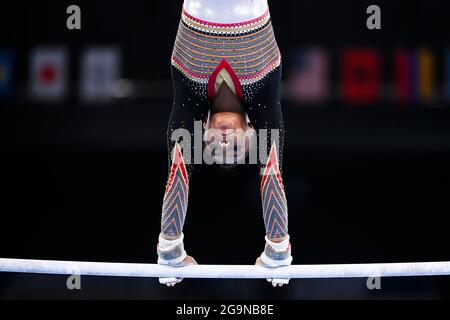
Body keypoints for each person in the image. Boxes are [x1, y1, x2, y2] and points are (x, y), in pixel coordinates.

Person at [157, 0, 292, 287]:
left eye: (215, 148)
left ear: (202, 129)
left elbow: (178, 174)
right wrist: (277, 252)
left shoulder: (190, 97)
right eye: (234, 149)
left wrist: (170, 250)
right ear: (253, 133)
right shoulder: (263, 100)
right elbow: (271, 174)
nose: (225, 142)